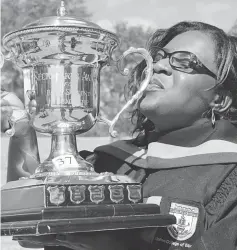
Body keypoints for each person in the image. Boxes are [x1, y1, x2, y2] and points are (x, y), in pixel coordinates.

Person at [1, 21, 237, 250]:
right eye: (159, 56)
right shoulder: (102, 164)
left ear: (220, 99)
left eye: (185, 61)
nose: (160, 66)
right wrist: (23, 129)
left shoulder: (230, 175)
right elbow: (27, 219)